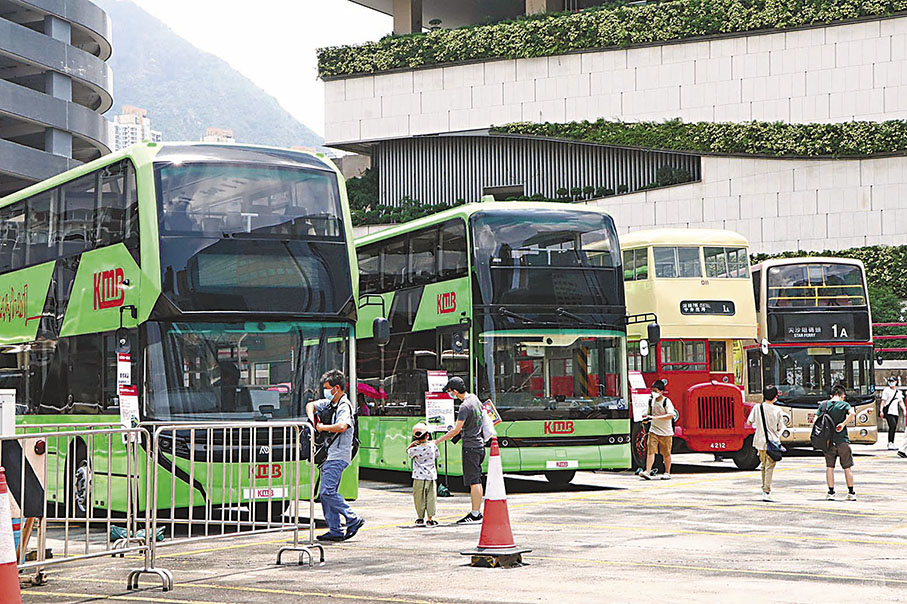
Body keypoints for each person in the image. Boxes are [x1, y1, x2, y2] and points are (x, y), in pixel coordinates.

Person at [306, 369, 364, 541]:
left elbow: (342, 426)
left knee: (326, 492)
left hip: (338, 455)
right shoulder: (331, 403)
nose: (325, 391)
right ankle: (335, 530)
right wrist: (313, 420)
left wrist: (322, 428)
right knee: (326, 493)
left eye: (327, 388)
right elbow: (311, 405)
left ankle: (353, 518)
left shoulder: (344, 406)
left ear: (336, 388)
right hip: (329, 455)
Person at [436, 377, 485, 524]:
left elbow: (456, 430)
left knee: (474, 481)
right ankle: (477, 512)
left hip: (470, 447)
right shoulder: (475, 399)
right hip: (479, 445)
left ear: (455, 391)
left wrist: (438, 440)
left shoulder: (464, 407)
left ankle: (475, 514)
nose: (450, 394)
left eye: (450, 391)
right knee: (476, 479)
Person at [817, 385, 857, 501]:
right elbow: (852, 414)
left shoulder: (823, 405)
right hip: (842, 440)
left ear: (831, 395)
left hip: (828, 441)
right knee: (847, 467)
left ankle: (831, 492)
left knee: (830, 467)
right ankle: (851, 492)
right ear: (842, 395)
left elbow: (816, 420)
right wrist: (843, 424)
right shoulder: (844, 405)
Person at [746, 386, 784, 502]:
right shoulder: (778, 410)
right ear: (775, 397)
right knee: (769, 467)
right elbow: (780, 427)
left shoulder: (757, 407)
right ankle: (766, 491)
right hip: (772, 441)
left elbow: (749, 421)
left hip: (759, 441)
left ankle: (764, 489)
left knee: (763, 465)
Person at [639, 379, 675, 481]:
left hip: (666, 432)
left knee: (666, 453)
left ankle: (667, 472)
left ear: (661, 391)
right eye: (652, 390)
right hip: (653, 430)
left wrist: (655, 418)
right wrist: (646, 419)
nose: (653, 393)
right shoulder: (651, 401)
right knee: (650, 451)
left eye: (655, 390)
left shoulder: (666, 402)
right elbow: (649, 414)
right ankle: (647, 471)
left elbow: (671, 415)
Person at [407, 422, 440, 527]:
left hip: (418, 477)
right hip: (431, 476)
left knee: (419, 497)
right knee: (431, 497)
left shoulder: (414, 449)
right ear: (427, 435)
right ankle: (430, 519)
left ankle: (420, 518)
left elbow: (408, 452)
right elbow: (437, 455)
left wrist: (411, 445)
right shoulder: (432, 446)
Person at [880, 378, 904, 450]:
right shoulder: (886, 390)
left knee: (894, 427)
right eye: (890, 381)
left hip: (895, 412)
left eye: (892, 381)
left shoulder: (898, 392)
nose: (891, 383)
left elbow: (900, 402)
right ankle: (890, 442)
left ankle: (892, 442)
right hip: (888, 412)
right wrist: (881, 410)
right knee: (892, 425)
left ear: (896, 382)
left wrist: (904, 410)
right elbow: (883, 401)